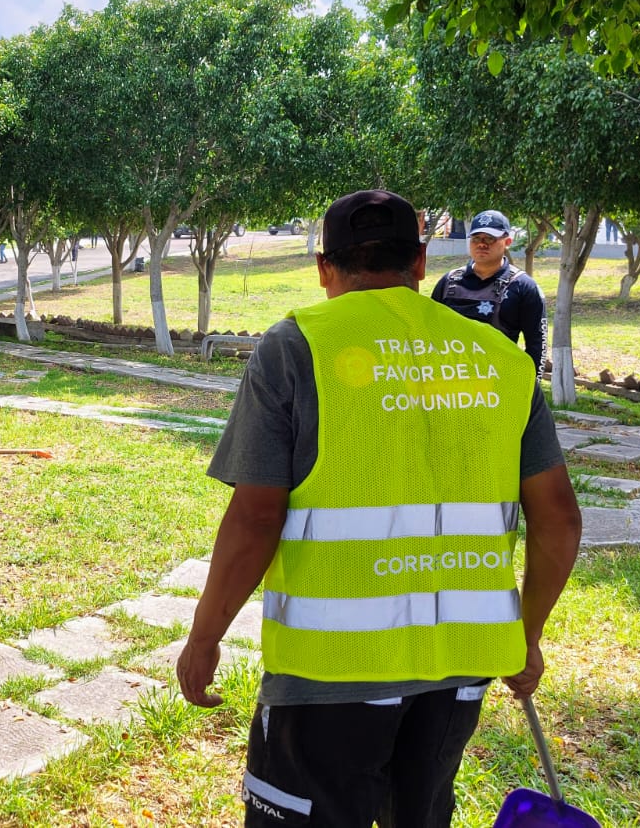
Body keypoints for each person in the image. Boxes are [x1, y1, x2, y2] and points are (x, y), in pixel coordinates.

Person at [177, 189, 581, 828]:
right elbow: (559, 517)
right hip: (460, 667)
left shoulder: (295, 348)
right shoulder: (503, 362)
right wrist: (524, 636)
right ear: (420, 263)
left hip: (329, 672)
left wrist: (205, 637)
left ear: (324, 269)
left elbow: (256, 518)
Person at [430, 210, 547, 377]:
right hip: (450, 385)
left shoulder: (524, 287)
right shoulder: (448, 282)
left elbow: (537, 345)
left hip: (499, 386)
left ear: (507, 241)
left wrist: (531, 391)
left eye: (490, 238)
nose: (482, 244)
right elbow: (429, 335)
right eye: (476, 238)